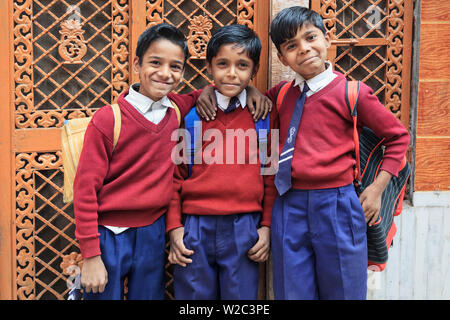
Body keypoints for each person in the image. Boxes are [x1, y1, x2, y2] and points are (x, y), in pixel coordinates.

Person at [265, 6, 410, 300]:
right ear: (282, 58)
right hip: (288, 205)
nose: (304, 49)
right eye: (291, 46)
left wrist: (377, 188)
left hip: (338, 205)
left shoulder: (351, 92)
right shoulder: (281, 94)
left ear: (327, 38)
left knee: (343, 290)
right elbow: (242, 98)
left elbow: (398, 137)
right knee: (291, 292)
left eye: (310, 37)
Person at [73, 23, 202, 300]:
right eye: (155, 62)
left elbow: (209, 93)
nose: (165, 73)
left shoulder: (177, 110)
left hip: (153, 232)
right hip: (108, 236)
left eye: (175, 67)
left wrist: (250, 92)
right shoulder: (109, 120)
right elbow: (84, 191)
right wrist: (91, 256)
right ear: (136, 64)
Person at [166, 24, 278, 300]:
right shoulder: (191, 118)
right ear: (209, 67)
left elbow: (271, 175)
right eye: (223, 64)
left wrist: (266, 226)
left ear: (254, 71)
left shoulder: (263, 118)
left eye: (242, 65)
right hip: (195, 227)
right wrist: (175, 228)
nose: (231, 73)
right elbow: (174, 177)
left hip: (244, 229)